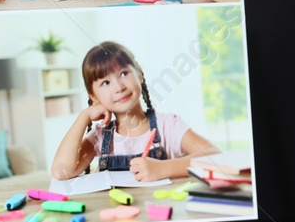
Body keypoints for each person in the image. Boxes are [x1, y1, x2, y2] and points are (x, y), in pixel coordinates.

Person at [51, 41, 217, 182]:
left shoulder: (167, 125)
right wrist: (84, 116)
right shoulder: (100, 138)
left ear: (139, 74)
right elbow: (61, 172)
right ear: (94, 96)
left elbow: (215, 155)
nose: (119, 87)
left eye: (123, 73)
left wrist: (164, 168)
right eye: (105, 83)